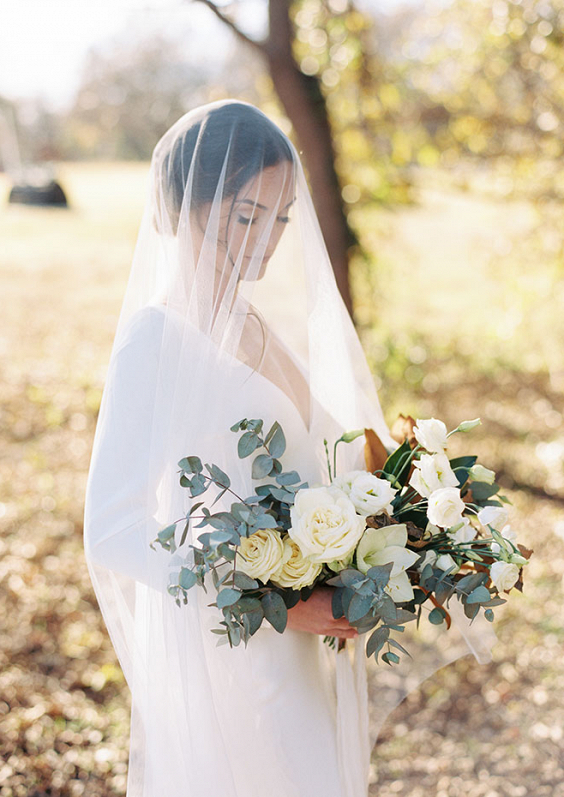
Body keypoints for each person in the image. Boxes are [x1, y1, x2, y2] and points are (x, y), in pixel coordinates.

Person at [83, 100, 494, 796]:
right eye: (247, 217)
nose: (267, 243)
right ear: (184, 206)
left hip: (295, 649)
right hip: (231, 653)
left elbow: (322, 465)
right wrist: (262, 588)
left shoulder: (253, 323)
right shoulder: (155, 341)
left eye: (279, 219)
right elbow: (112, 528)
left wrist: (404, 530)